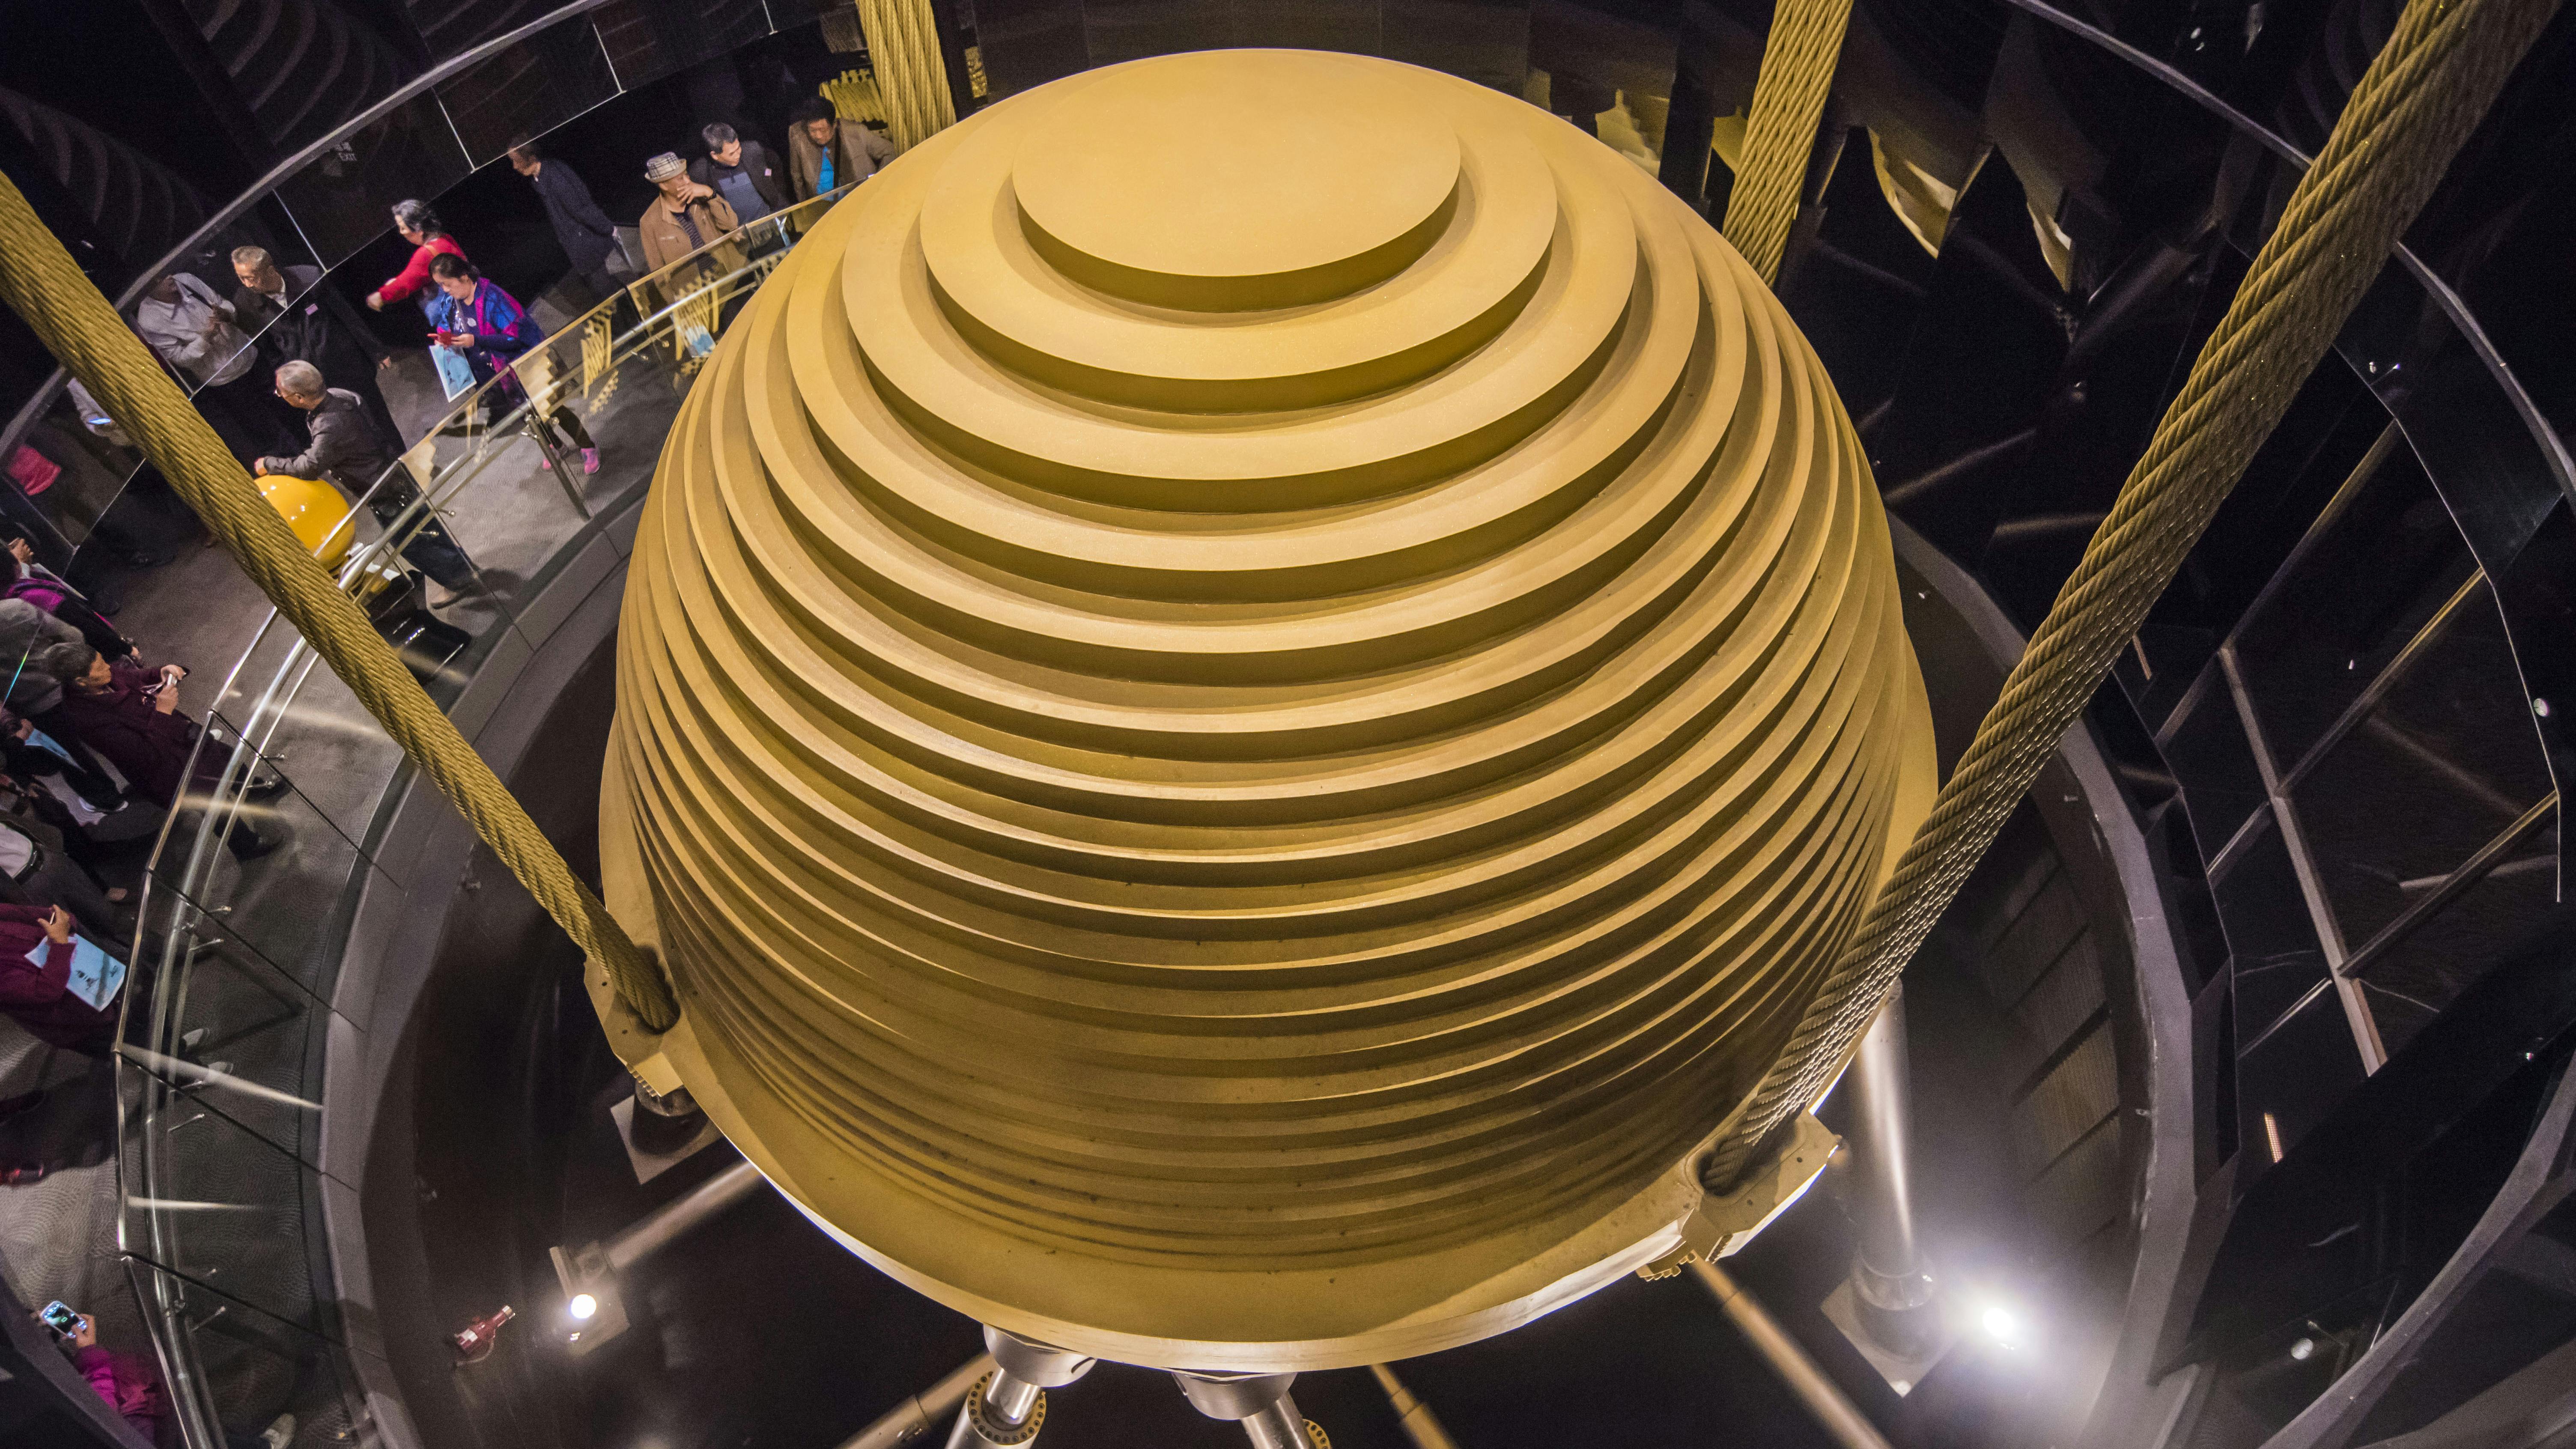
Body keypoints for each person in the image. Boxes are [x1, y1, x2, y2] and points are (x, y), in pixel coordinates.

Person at [256, 362, 480, 603]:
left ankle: (459, 579)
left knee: (410, 542)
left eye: (282, 392)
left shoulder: (328, 426)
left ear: (299, 397)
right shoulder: (341, 395)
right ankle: (465, 570)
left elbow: (309, 467)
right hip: (392, 473)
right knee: (424, 525)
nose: (280, 396)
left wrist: (269, 463)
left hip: (382, 488)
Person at [38, 644, 281, 863]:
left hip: (183, 741)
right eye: (100, 667)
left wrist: (161, 672)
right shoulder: (85, 718)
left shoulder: (104, 678)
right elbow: (140, 756)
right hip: (166, 769)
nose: (108, 668)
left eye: (103, 660)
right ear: (81, 682)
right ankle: (246, 847)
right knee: (213, 805)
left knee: (228, 758)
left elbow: (135, 677)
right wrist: (163, 713)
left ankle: (254, 791)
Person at [423, 257, 599, 474]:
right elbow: (447, 326)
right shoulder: (453, 303)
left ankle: (587, 445)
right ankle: (556, 446)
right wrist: (445, 338)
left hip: (526, 365)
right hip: (498, 373)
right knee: (529, 415)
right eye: (441, 285)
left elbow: (517, 337)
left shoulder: (493, 299)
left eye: (447, 284)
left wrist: (477, 340)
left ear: (464, 278)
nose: (445, 290)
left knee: (554, 408)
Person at [48, 1306, 295, 1449]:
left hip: (139, 1409)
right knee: (198, 1435)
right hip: (144, 1426)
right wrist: (88, 1351)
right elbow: (98, 1411)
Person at [232, 246, 404, 448]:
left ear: (270, 271)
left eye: (251, 277)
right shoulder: (245, 303)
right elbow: (267, 348)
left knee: (377, 418)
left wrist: (376, 351)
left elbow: (346, 314)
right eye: (241, 278)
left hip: (345, 364)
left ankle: (402, 459)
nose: (247, 284)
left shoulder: (309, 278)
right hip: (311, 383)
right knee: (348, 434)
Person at [132, 274, 295, 464]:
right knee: (265, 428)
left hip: (249, 355)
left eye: (166, 274)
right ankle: (292, 463)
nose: (169, 278)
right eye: (159, 280)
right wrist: (206, 338)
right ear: (148, 290)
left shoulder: (186, 280)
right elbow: (180, 359)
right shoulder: (149, 320)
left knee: (287, 406)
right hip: (225, 380)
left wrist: (226, 314)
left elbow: (222, 303)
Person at [507, 139, 625, 313]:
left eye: (516, 161)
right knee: (602, 292)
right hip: (578, 245)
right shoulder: (540, 179)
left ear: (531, 158)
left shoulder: (555, 178)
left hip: (587, 244)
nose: (515, 167)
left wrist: (609, 228)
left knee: (608, 294)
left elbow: (582, 209)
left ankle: (633, 326)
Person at [637, 152, 746, 312]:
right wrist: (680, 308)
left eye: (686, 175)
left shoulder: (701, 198)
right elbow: (659, 273)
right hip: (697, 294)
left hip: (729, 274)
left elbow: (731, 224)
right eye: (680, 178)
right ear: (664, 185)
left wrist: (710, 193)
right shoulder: (650, 222)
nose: (688, 181)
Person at [5, 537, 135, 665]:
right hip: (95, 655)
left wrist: (19, 566)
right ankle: (121, 653)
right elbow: (82, 626)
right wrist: (124, 649)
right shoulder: (31, 596)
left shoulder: (20, 592)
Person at [786, 94, 896, 200]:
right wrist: (805, 206)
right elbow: (797, 175)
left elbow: (889, 151)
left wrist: (879, 182)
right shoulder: (798, 135)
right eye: (813, 131)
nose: (818, 136)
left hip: (859, 197)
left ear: (834, 125)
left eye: (823, 130)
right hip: (820, 203)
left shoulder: (855, 132)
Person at [365, 200, 466, 314]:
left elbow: (405, 284)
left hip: (457, 314)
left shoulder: (426, 254)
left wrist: (381, 296)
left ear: (418, 230)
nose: (401, 233)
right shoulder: (445, 239)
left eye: (403, 228)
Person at [690, 121, 789, 226]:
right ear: (715, 155)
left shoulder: (753, 150)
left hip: (771, 222)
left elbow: (775, 164)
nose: (738, 155)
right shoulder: (700, 173)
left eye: (738, 148)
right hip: (739, 234)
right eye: (732, 154)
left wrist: (780, 202)